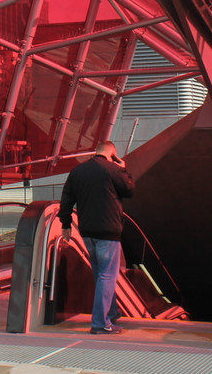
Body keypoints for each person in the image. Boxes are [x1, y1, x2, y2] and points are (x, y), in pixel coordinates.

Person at [58, 140, 135, 335]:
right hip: (108, 231)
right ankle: (101, 323)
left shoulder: (78, 171)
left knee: (100, 274)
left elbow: (66, 199)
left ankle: (111, 311)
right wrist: (123, 169)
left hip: (87, 232)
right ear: (112, 154)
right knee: (107, 275)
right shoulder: (112, 169)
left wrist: (66, 224)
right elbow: (130, 190)